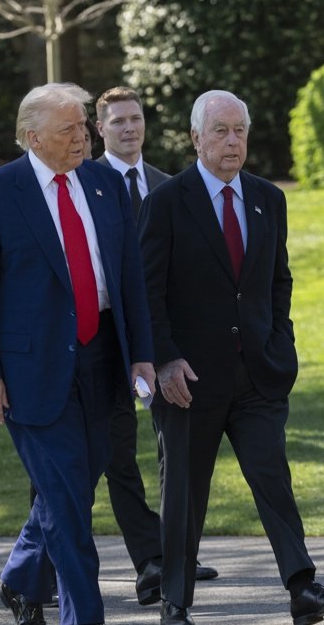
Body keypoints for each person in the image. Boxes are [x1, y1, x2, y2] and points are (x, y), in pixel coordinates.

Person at [137, 90, 324, 625]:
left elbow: (278, 281)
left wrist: (282, 344)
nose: (232, 141)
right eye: (220, 131)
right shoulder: (166, 202)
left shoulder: (267, 198)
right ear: (196, 138)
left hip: (257, 373)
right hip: (188, 381)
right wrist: (164, 360)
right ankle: (175, 602)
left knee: (272, 479)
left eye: (240, 131)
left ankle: (303, 589)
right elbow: (146, 291)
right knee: (185, 493)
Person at [0, 83, 156, 625]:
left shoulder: (104, 183)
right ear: (33, 137)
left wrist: (142, 353)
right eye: (68, 129)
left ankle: (21, 576)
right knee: (67, 504)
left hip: (104, 358)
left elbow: (129, 276)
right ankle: (82, 616)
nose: (82, 137)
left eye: (84, 126)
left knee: (72, 485)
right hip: (32, 371)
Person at [93, 86, 218, 603]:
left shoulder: (171, 187)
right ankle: (148, 559)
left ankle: (174, 553)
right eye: (117, 121)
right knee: (115, 450)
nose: (129, 128)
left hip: (163, 338)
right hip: (104, 339)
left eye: (135, 118)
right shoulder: (85, 184)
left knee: (173, 448)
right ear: (100, 129)